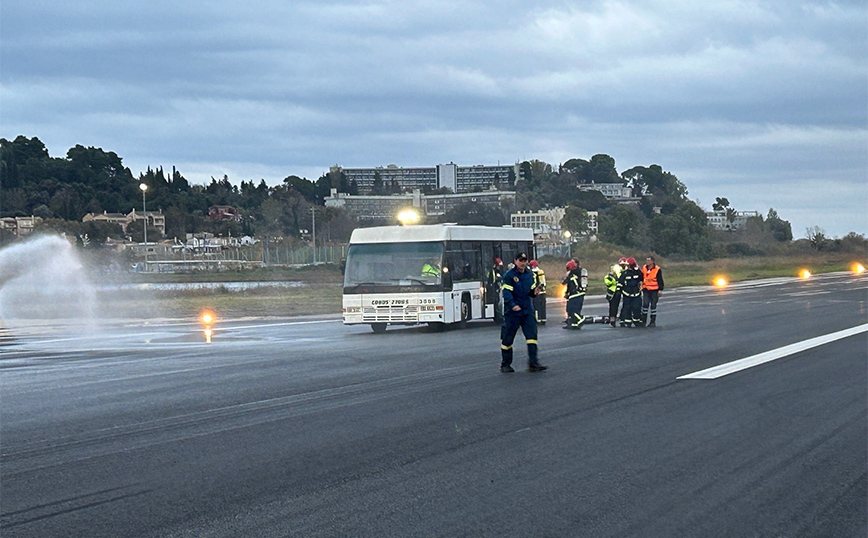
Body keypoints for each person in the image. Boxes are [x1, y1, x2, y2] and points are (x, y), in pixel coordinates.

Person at [500, 252, 547, 373]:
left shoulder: (529, 275)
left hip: (527, 311)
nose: (523, 263)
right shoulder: (509, 276)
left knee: (532, 337)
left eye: (525, 260)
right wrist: (512, 305)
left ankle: (533, 363)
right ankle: (505, 364)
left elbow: (530, 291)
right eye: (520, 260)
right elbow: (507, 293)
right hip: (513, 312)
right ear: (515, 261)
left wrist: (534, 292)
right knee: (508, 339)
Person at [562, 259, 588, 329]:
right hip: (576, 294)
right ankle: (573, 324)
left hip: (575, 295)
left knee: (572, 310)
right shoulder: (577, 273)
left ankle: (581, 320)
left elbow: (566, 283)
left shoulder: (572, 275)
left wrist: (566, 278)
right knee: (571, 310)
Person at [617, 257, 642, 327]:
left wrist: (638, 269)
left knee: (637, 307)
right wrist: (618, 291)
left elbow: (642, 278)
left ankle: (636, 320)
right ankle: (628, 321)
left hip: (636, 294)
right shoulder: (625, 273)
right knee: (627, 308)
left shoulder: (637, 272)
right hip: (627, 294)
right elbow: (620, 282)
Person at [603, 257, 628, 328]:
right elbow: (620, 277)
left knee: (622, 305)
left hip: (618, 290)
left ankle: (619, 319)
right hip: (614, 291)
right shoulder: (617, 269)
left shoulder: (621, 269)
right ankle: (613, 320)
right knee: (613, 306)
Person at [641, 256, 665, 327]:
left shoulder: (657, 269)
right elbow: (642, 277)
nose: (647, 262)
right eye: (646, 260)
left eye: (649, 260)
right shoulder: (644, 268)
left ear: (652, 261)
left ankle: (652, 321)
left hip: (654, 290)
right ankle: (643, 320)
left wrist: (660, 289)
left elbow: (660, 280)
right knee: (645, 305)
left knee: (653, 306)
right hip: (646, 289)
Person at [528, 260, 547, 325]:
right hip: (543, 292)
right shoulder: (541, 271)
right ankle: (543, 319)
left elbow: (533, 283)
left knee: (536, 307)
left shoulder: (532, 273)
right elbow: (543, 282)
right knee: (543, 306)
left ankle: (538, 320)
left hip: (536, 293)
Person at [487, 257, 505, 322]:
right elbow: (491, 281)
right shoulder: (493, 272)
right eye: (498, 266)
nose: (499, 267)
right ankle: (498, 316)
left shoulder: (500, 272)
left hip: (499, 289)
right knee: (496, 303)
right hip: (494, 290)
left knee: (499, 303)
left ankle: (500, 316)